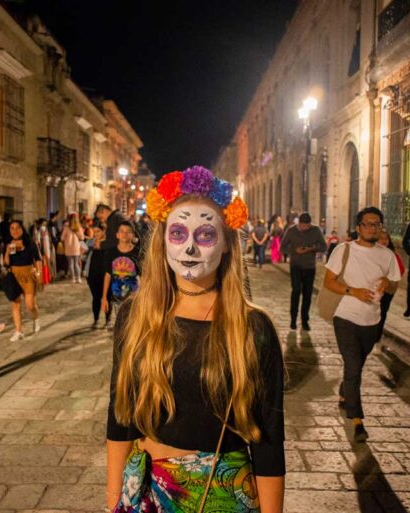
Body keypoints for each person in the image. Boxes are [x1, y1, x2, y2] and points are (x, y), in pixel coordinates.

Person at [106, 166, 284, 513]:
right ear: (161, 241)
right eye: (178, 232)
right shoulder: (135, 315)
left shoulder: (252, 328)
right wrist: (113, 499)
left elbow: (269, 440)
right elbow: (120, 415)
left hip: (223, 497)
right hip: (144, 493)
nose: (189, 246)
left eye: (205, 234)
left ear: (228, 245)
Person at [324, 207, 401, 442]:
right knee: (354, 365)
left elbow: (395, 284)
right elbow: (329, 282)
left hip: (372, 320)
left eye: (376, 224)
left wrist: (386, 283)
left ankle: (345, 390)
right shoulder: (343, 250)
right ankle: (357, 422)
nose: (372, 228)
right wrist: (352, 291)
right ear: (358, 227)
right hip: (345, 316)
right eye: (367, 224)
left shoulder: (387, 255)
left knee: (356, 365)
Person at [280, 212, 325, 331]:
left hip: (310, 267)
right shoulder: (291, 231)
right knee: (296, 291)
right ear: (299, 223)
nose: (305, 228)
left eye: (307, 226)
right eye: (303, 226)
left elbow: (324, 246)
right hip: (295, 266)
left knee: (307, 294)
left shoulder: (315, 231)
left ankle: (305, 320)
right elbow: (282, 248)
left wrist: (312, 248)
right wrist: (295, 250)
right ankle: (293, 320)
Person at [4, 220, 42, 342]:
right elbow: (6, 263)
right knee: (15, 304)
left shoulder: (30, 243)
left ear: (22, 229)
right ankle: (19, 331)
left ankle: (36, 318)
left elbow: (38, 259)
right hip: (14, 275)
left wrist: (38, 273)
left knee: (30, 304)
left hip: (28, 275)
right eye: (12, 228)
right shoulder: (9, 244)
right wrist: (7, 252)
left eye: (17, 228)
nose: (14, 231)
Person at [101, 221, 141, 328]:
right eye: (122, 232)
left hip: (134, 297)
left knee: (132, 326)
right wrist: (104, 298)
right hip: (116, 297)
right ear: (117, 235)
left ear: (132, 235)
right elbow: (108, 275)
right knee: (119, 327)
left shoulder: (138, 252)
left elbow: (144, 276)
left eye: (128, 232)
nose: (125, 234)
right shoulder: (110, 253)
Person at [376, 229, 405, 341]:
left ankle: (377, 335)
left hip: (388, 289)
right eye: (381, 239)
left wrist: (389, 278)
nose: (384, 241)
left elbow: (401, 270)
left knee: (383, 311)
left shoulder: (393, 255)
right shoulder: (372, 253)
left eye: (386, 238)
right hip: (374, 287)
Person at [86, 223, 111, 328]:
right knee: (95, 297)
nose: (95, 234)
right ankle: (96, 320)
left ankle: (107, 319)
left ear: (103, 231)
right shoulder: (90, 242)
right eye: (94, 232)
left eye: (98, 232)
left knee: (107, 297)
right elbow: (86, 255)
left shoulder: (108, 244)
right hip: (92, 273)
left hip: (105, 273)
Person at [61, 213, 85, 283]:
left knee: (70, 264)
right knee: (76, 263)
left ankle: (73, 278)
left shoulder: (66, 228)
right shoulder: (79, 228)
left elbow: (62, 238)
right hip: (76, 247)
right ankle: (79, 278)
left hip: (68, 247)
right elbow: (82, 238)